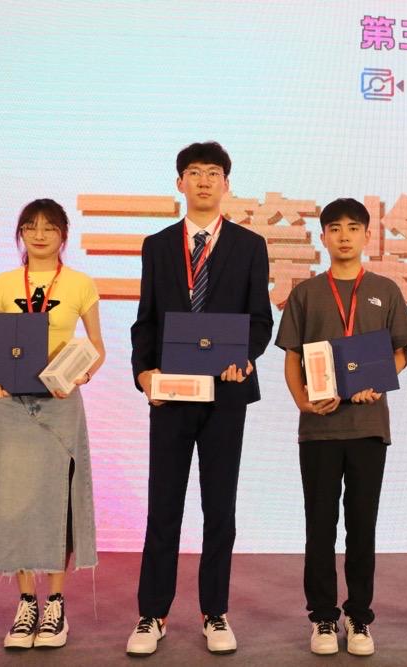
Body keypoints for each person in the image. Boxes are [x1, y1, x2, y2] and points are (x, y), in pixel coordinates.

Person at [126, 141, 273, 657]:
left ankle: (215, 611)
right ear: (180, 183)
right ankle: (152, 613)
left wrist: (245, 357)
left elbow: (260, 320)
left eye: (213, 173)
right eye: (194, 172)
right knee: (163, 506)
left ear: (226, 184)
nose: (204, 181)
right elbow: (145, 320)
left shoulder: (250, 245)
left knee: (220, 508)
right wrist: (143, 373)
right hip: (170, 395)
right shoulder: (158, 245)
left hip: (225, 394)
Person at [275, 197, 407, 657]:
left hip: (368, 427)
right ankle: (322, 616)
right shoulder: (306, 293)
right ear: (323, 237)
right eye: (334, 228)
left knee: (362, 526)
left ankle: (359, 616)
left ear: (367, 236)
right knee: (319, 526)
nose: (344, 236)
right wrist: (303, 402)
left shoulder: (385, 290)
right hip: (319, 429)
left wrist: (380, 380)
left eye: (353, 228)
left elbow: (401, 353)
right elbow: (292, 357)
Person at [0, 199, 106, 650]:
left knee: (55, 500)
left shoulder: (81, 283)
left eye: (50, 227)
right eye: (31, 227)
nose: (40, 235)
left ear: (63, 234)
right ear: (21, 234)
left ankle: (56, 606)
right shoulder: (3, 282)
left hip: (59, 403)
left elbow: (97, 347)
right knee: (14, 500)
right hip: (12, 405)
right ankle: (26, 602)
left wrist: (80, 375)